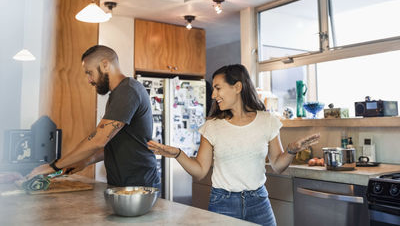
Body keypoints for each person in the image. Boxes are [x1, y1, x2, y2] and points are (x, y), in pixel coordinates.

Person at [147, 64, 319, 226]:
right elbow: (199, 171)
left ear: (237, 87)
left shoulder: (268, 121)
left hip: (259, 201)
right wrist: (178, 153)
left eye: (218, 88)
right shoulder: (212, 126)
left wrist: (291, 151)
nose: (213, 95)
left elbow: (278, 166)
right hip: (223, 203)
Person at [28, 45, 160, 189]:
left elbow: (98, 140)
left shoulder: (128, 91)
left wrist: (52, 166)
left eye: (90, 73)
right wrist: (84, 162)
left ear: (105, 64)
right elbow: (112, 143)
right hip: (123, 182)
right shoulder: (118, 94)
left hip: (140, 183)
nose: (89, 80)